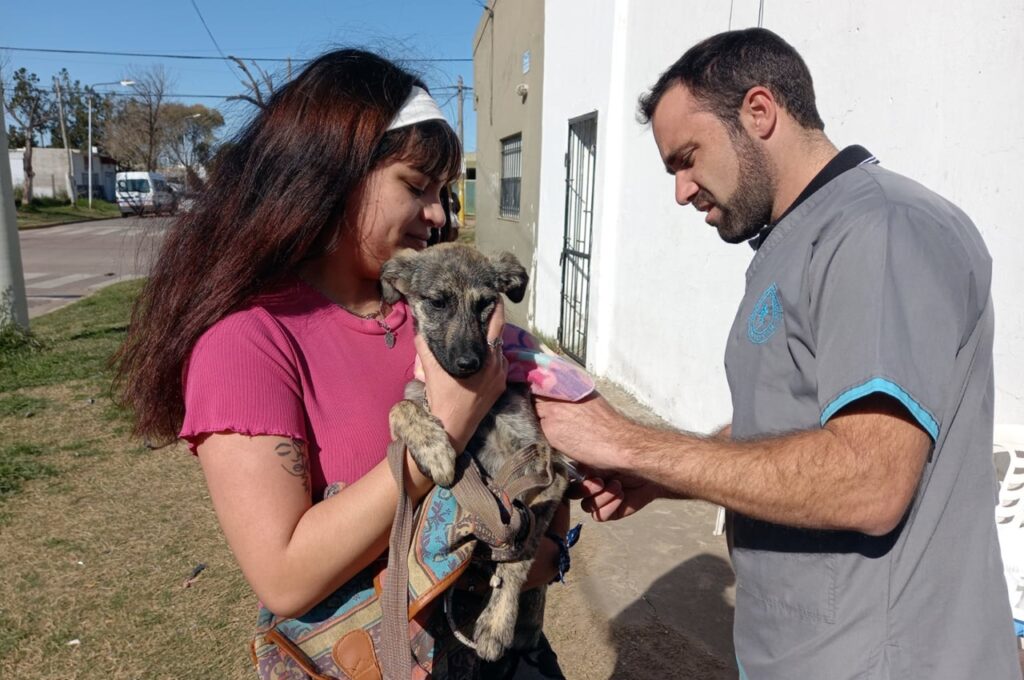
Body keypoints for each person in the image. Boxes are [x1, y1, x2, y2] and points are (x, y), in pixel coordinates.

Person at [534, 28, 1022, 679]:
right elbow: (792, 425)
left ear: (759, 113)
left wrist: (627, 442)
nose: (681, 191)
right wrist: (665, 474)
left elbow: (870, 477)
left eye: (687, 157)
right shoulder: (795, 243)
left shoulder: (879, 230)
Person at [114, 49, 568, 678]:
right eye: (415, 187)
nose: (439, 215)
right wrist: (450, 423)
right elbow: (285, 576)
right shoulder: (250, 341)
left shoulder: (433, 310)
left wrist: (542, 547)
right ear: (333, 174)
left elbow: (538, 466)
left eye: (441, 193)